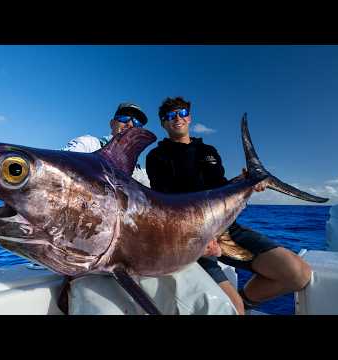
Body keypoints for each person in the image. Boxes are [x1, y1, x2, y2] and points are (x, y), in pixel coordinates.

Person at [59, 102, 238, 315]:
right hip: (92, 262)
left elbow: (162, 218)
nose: (130, 123)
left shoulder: (141, 175)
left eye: (137, 121)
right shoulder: (87, 145)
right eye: (124, 118)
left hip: (148, 260)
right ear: (112, 122)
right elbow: (61, 175)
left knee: (217, 307)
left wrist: (199, 240)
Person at [146, 96, 312, 315]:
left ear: (189, 118)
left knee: (298, 274)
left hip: (227, 228)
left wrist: (245, 182)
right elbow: (165, 202)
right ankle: (239, 305)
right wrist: (200, 241)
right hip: (191, 236)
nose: (177, 118)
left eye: (182, 113)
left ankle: (245, 300)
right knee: (234, 310)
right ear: (163, 123)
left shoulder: (209, 152)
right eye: (170, 116)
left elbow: (221, 189)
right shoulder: (156, 156)